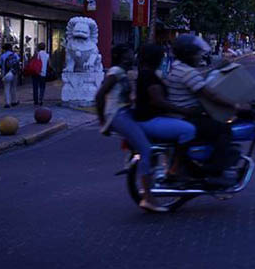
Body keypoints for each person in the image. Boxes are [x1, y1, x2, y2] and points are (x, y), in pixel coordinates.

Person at [96, 44, 164, 213]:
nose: (133, 57)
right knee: (146, 149)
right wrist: (103, 121)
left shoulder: (124, 73)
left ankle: (135, 162)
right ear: (122, 57)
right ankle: (148, 197)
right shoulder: (116, 72)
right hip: (118, 115)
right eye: (129, 55)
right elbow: (99, 95)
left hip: (126, 113)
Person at [164, 34, 238, 186]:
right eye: (196, 53)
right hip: (186, 116)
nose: (199, 56)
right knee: (224, 130)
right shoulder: (187, 72)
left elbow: (204, 84)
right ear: (188, 54)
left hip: (181, 114)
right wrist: (234, 105)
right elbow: (209, 94)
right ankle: (216, 172)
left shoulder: (178, 66)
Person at [133, 43, 196, 176]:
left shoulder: (147, 73)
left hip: (150, 118)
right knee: (189, 130)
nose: (162, 60)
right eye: (160, 57)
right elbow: (159, 101)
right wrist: (184, 111)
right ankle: (175, 167)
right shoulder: (148, 75)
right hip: (150, 120)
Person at [0, 43, 20, 108]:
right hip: (14, 73)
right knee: (13, 87)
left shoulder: (3, 56)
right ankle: (14, 101)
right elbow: (18, 62)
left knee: (6, 88)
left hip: (6, 73)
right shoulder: (15, 55)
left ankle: (7, 102)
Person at [32, 42, 50, 106]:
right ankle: (41, 99)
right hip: (43, 73)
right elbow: (48, 65)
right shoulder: (47, 55)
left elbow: (33, 62)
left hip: (36, 72)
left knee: (35, 87)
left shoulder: (37, 54)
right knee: (42, 87)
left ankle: (35, 100)